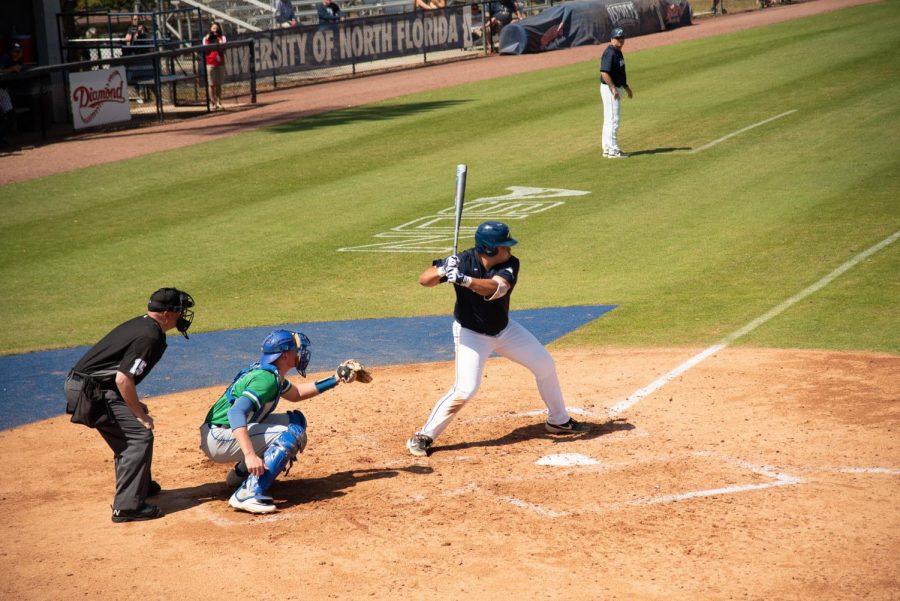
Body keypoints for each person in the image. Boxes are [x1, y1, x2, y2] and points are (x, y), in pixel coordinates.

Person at [406, 221, 589, 457]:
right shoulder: (462, 260)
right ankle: (424, 436)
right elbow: (424, 280)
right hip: (471, 334)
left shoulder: (511, 264)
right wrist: (443, 270)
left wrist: (463, 280)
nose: (510, 249)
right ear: (490, 248)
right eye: (505, 246)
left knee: (545, 365)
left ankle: (559, 421)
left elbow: (496, 288)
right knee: (465, 389)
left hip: (505, 331)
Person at [200, 330, 372, 514]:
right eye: (296, 350)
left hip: (224, 431)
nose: (299, 353)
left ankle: (241, 475)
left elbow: (296, 394)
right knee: (292, 434)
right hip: (218, 436)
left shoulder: (272, 373)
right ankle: (247, 493)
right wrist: (250, 454)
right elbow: (235, 413)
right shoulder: (265, 380)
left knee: (295, 421)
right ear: (284, 355)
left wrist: (335, 379)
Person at [64, 288, 195, 523]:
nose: (182, 315)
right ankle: (127, 507)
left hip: (90, 386)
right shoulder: (150, 336)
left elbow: (118, 375)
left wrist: (135, 406)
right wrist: (137, 413)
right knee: (138, 436)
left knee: (132, 426)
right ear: (166, 314)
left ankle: (139, 485)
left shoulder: (144, 325)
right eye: (179, 311)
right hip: (91, 392)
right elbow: (123, 378)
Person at [599, 27, 633, 159]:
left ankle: (607, 149)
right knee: (613, 120)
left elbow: (620, 73)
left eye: (622, 37)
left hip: (613, 87)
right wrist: (613, 88)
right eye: (618, 38)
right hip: (609, 88)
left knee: (609, 119)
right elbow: (604, 72)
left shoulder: (617, 51)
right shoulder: (610, 53)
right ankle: (613, 150)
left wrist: (626, 87)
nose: (621, 40)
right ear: (612, 39)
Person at [0, 43, 25, 148]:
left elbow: (18, 68)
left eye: (19, 51)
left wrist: (15, 68)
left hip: (3, 89)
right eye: (15, 51)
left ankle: (3, 139)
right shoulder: (5, 58)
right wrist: (12, 69)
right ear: (11, 52)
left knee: (9, 114)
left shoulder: (19, 60)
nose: (17, 54)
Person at [202, 23, 227, 110]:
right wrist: (208, 38)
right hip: (210, 63)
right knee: (211, 84)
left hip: (220, 63)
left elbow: (223, 48)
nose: (215, 30)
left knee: (219, 84)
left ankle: (219, 102)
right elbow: (205, 48)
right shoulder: (206, 38)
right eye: (213, 28)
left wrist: (218, 41)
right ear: (210, 29)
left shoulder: (222, 38)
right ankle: (213, 103)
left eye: (216, 28)